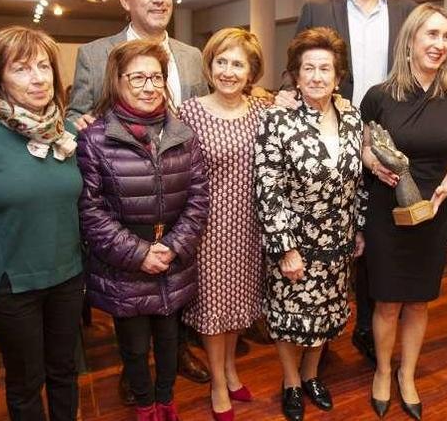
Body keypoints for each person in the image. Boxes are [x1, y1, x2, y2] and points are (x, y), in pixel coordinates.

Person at [294, 0, 447, 364]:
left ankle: (367, 331)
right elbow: (299, 64)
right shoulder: (317, 8)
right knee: (346, 239)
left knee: (379, 246)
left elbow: (433, 63)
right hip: (340, 141)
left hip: (399, 140)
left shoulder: (409, 10)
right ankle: (325, 330)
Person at [67, 0, 212, 392]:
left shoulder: (191, 57)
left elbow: (204, 116)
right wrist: (82, 127)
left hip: (178, 195)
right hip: (122, 203)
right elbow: (77, 117)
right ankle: (135, 372)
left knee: (172, 303)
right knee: (131, 312)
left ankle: (177, 352)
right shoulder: (95, 54)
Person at [0, 26, 84, 421]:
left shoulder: (65, 133)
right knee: (26, 381)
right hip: (10, 286)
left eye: (44, 66)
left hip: (67, 277)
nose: (38, 78)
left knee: (64, 371)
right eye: (21, 69)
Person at [77, 39, 209, 421]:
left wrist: (172, 247)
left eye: (156, 77)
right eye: (137, 78)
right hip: (124, 264)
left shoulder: (183, 134)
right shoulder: (95, 139)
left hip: (173, 257)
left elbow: (199, 198)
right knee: (134, 347)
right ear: (116, 81)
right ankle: (145, 406)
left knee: (170, 342)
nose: (149, 86)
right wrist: (139, 254)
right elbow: (90, 209)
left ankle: (167, 402)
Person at [361, 3, 447, 420]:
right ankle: (381, 372)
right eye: (431, 34)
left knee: (419, 303)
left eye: (446, 37)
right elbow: (366, 146)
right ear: (410, 39)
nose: (439, 44)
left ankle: (406, 375)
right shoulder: (378, 96)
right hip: (386, 211)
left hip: (434, 209)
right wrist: (373, 164)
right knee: (388, 302)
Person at [254, 27, 366, 421]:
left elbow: (358, 181)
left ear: (338, 76)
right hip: (296, 245)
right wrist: (286, 249)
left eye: (326, 68)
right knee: (288, 320)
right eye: (309, 68)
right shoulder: (278, 120)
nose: (317, 76)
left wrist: (360, 229)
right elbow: (269, 190)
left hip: (338, 242)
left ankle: (311, 375)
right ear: (295, 75)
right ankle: (289, 381)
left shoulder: (353, 116)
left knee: (326, 316)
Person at [178, 28, 269, 420]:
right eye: (221, 61)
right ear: (210, 65)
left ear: (251, 73)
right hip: (208, 229)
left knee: (238, 304)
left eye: (238, 64)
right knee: (214, 308)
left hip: (250, 227)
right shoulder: (189, 113)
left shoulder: (263, 111)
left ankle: (231, 368)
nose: (228, 71)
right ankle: (218, 381)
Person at [67, 0, 208, 124]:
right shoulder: (93, 56)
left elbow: (204, 117)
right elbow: (74, 118)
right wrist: (79, 125)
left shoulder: (192, 56)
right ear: (125, 0)